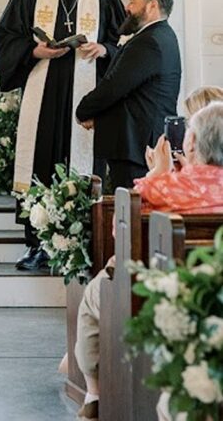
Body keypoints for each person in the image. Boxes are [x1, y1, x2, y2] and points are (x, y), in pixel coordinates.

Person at [72, 99, 223, 420]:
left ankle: (94, 390)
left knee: (92, 298)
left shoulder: (164, 187)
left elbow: (120, 232)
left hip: (162, 296)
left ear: (192, 142)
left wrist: (157, 172)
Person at [0, 0, 125, 270]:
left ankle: (80, 240)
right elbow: (3, 39)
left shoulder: (106, 0)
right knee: (41, 163)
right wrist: (33, 51)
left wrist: (104, 50)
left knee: (80, 167)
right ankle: (37, 245)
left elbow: (124, 44)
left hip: (84, 99)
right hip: (44, 98)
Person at [75, 0, 181, 193]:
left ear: (152, 5)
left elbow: (115, 86)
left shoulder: (149, 41)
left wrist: (83, 110)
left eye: (133, 1)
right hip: (139, 141)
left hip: (136, 144)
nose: (127, 7)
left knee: (130, 213)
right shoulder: (161, 35)